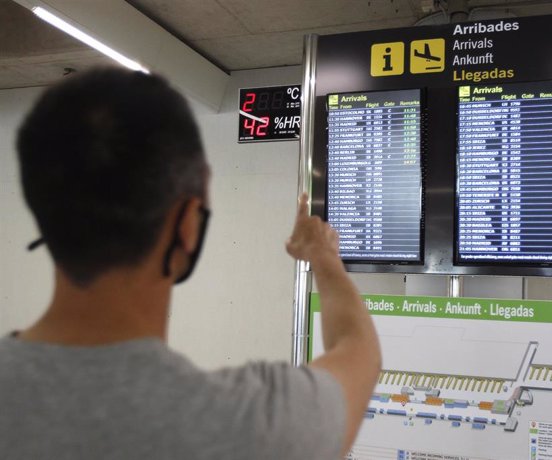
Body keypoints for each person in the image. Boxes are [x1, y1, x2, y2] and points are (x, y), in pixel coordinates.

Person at [0, 67, 381, 459]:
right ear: (186, 226)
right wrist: (322, 254)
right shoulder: (254, 426)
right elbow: (359, 349)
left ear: (42, 212)